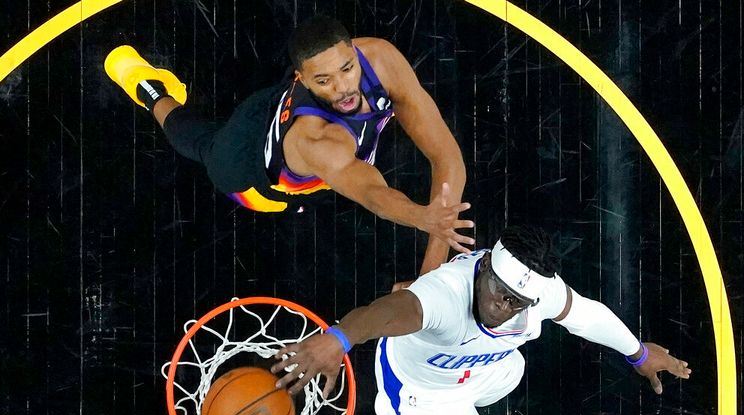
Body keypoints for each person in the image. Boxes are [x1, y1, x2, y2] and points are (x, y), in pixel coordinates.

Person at [104, 15, 472, 279]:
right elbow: (374, 193)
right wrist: (425, 220)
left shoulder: (379, 58)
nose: (343, 88)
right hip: (246, 169)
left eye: (347, 68)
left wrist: (429, 280)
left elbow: (446, 156)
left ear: (354, 53)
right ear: (303, 79)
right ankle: (149, 90)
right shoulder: (318, 141)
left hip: (276, 110)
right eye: (324, 80)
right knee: (201, 144)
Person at [270, 225, 692, 415]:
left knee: (515, 369)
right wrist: (338, 338)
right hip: (425, 393)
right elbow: (382, 313)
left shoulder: (537, 293)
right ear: (485, 264)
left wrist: (638, 353)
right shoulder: (445, 296)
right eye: (501, 293)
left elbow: (587, 315)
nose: (505, 306)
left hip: (489, 371)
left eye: (517, 302)